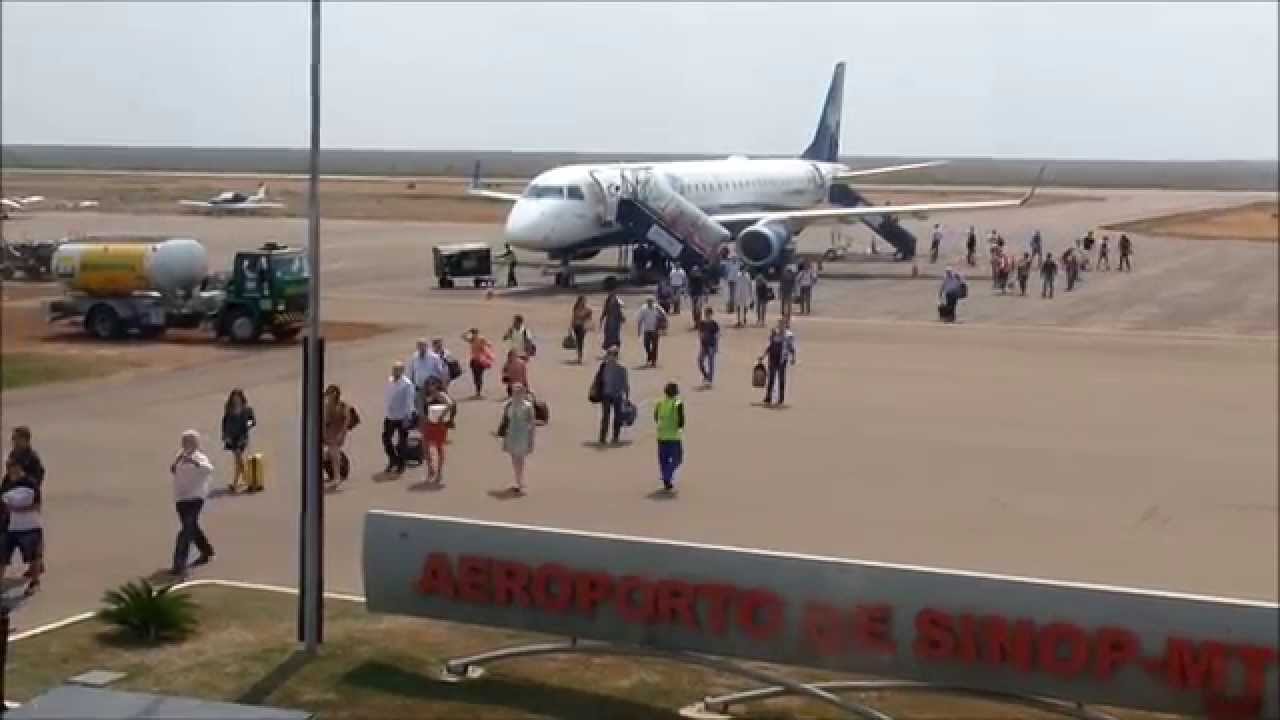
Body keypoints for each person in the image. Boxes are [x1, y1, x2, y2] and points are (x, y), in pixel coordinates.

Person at [169, 430, 214, 577]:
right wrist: (177, 462)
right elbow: (173, 470)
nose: (185, 444)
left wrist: (194, 462)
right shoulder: (179, 457)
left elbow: (208, 469)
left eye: (189, 441)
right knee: (191, 528)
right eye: (184, 441)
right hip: (181, 499)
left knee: (185, 531)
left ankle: (179, 564)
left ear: (196, 443)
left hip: (195, 498)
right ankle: (206, 550)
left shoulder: (200, 457)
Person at [2, 460, 43, 595]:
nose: (11, 472)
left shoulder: (31, 483)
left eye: (14, 469)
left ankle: (34, 582)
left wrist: (18, 509)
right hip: (8, 528)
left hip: (29, 528)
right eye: (9, 469)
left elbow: (37, 505)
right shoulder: (6, 482)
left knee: (33, 558)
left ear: (20, 468)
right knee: (2, 557)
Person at [500, 383, 536, 495]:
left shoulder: (527, 406)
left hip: (522, 434)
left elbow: (532, 423)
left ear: (523, 392)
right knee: (513, 458)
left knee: (520, 458)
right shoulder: (508, 405)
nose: (517, 394)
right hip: (511, 434)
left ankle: (519, 481)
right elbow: (505, 420)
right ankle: (518, 479)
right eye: (515, 391)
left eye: (519, 391)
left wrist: (531, 439)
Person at [591, 346, 630, 445]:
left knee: (617, 417)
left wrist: (627, 397)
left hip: (617, 395)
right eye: (609, 354)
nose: (609, 356)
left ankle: (615, 437)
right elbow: (598, 379)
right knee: (606, 417)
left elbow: (626, 384)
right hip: (606, 394)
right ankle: (602, 438)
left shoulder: (622, 368)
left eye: (611, 354)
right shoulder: (604, 366)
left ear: (616, 356)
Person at [421, 377, 457, 484]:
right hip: (429, 423)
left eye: (432, 384)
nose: (430, 386)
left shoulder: (440, 394)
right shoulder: (427, 395)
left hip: (439, 424)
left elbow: (450, 404)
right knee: (425, 446)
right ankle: (431, 469)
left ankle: (439, 473)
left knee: (439, 447)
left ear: (437, 385)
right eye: (428, 384)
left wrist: (442, 415)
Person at [220, 389, 257, 492]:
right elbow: (224, 422)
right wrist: (224, 434)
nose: (236, 400)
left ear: (241, 398)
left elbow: (252, 421)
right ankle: (239, 483)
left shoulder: (247, 409)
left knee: (238, 459)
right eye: (234, 398)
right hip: (232, 438)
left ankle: (243, 482)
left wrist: (247, 426)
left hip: (242, 437)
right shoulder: (229, 409)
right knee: (238, 461)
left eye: (238, 398)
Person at [382, 362, 415, 474]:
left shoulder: (407, 384)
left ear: (402, 371)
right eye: (393, 369)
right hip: (390, 416)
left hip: (402, 417)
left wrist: (408, 418)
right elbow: (387, 396)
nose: (394, 372)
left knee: (402, 442)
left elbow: (410, 403)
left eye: (397, 369)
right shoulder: (390, 380)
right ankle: (393, 459)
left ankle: (401, 464)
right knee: (386, 439)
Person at [322, 385, 357, 486]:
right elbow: (324, 420)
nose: (328, 397)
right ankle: (333, 473)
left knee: (333, 453)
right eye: (327, 395)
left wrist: (342, 434)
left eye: (330, 394)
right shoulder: (326, 406)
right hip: (327, 433)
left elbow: (346, 421)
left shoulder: (343, 406)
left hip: (336, 434)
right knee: (325, 455)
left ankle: (337, 477)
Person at [654, 382, 686, 493]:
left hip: (661, 435)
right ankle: (667, 476)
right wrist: (679, 427)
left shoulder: (660, 403)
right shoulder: (677, 403)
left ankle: (666, 480)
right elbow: (681, 421)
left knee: (663, 460)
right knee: (677, 459)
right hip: (673, 436)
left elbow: (655, 417)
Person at [761, 319, 797, 406]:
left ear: (785, 326)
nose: (780, 327)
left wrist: (793, 358)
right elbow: (770, 347)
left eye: (782, 325)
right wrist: (763, 356)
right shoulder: (774, 333)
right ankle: (768, 397)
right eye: (779, 324)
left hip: (782, 359)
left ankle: (781, 399)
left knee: (781, 379)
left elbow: (791, 348)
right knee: (771, 379)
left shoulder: (788, 336)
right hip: (773, 358)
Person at [408, 338, 446, 415]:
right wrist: (411, 388)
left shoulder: (434, 357)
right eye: (419, 346)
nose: (421, 348)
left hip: (432, 389)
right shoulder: (414, 357)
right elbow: (411, 373)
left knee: (433, 408)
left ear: (426, 346)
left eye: (423, 346)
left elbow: (441, 373)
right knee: (420, 410)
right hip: (419, 389)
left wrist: (443, 387)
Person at [460, 328, 495, 398]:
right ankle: (478, 392)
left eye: (474, 333)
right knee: (477, 377)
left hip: (479, 361)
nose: (474, 335)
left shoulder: (477, 339)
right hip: (476, 360)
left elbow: (489, 345)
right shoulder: (475, 339)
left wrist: (468, 332)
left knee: (478, 377)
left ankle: (478, 392)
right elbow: (462, 336)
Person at [636, 297, 667, 368]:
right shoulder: (643, 309)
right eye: (649, 302)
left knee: (655, 346)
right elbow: (640, 320)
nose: (650, 303)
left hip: (655, 330)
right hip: (647, 330)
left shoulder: (657, 308)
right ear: (647, 302)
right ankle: (649, 355)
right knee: (646, 345)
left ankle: (654, 361)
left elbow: (664, 316)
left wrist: (664, 328)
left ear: (653, 302)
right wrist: (639, 330)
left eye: (651, 301)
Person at [697, 306, 720, 386]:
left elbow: (717, 336)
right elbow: (700, 334)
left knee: (711, 363)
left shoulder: (714, 324)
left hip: (711, 345)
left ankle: (710, 379)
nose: (707, 315)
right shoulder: (702, 323)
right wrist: (701, 344)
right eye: (706, 314)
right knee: (700, 361)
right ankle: (706, 375)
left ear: (711, 314)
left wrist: (716, 346)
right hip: (704, 345)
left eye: (708, 314)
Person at [600, 289, 625, 353]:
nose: (611, 294)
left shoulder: (618, 300)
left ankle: (616, 351)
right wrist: (602, 318)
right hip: (609, 321)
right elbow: (605, 310)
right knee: (608, 335)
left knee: (615, 336)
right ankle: (609, 350)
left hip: (616, 321)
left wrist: (622, 317)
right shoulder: (607, 301)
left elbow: (620, 310)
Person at [570, 295, 593, 365]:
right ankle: (579, 356)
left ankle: (580, 357)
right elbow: (573, 318)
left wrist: (589, 325)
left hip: (582, 327)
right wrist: (571, 327)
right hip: (576, 327)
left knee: (580, 341)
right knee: (578, 341)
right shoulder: (575, 308)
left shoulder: (587, 310)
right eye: (583, 301)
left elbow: (590, 319)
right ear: (579, 301)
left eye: (584, 301)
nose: (584, 302)